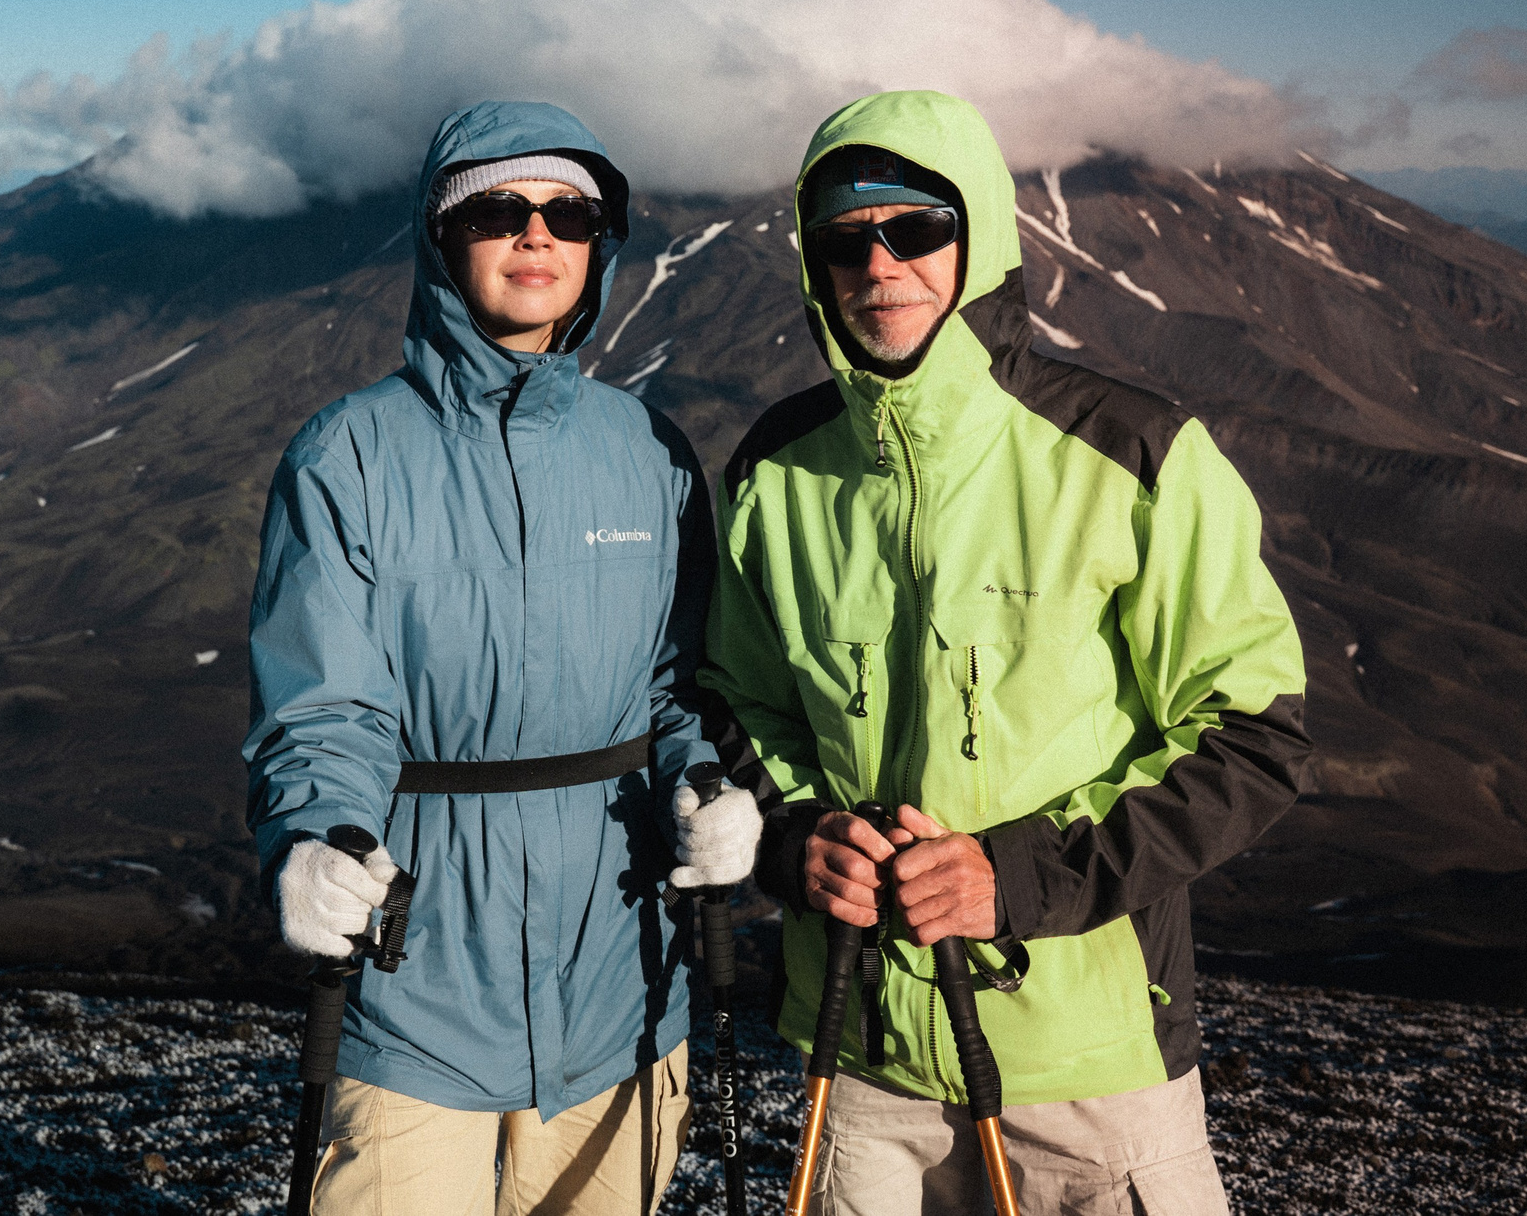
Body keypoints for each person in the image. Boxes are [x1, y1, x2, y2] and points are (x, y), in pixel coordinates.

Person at [702, 90, 1312, 1216]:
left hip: (1089, 1071)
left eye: (916, 229)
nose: (879, 263)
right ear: (812, 265)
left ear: (978, 237)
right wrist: (793, 842)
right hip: (862, 1058)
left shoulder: (1129, 453)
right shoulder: (774, 470)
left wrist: (1018, 877)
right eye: (844, 239)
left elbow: (1251, 732)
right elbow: (734, 705)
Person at [244, 100, 761, 1216]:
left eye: (568, 212)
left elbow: (675, 693)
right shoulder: (351, 453)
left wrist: (709, 783)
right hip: (413, 978)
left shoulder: (648, 454)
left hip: (623, 976)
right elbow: (323, 707)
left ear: (598, 246)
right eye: (498, 208)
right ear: (442, 239)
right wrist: (309, 839)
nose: (536, 235)